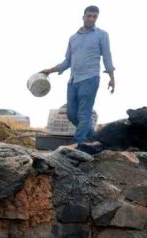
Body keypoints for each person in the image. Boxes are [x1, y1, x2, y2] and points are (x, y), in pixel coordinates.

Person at [39, 5, 115, 146]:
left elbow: (107, 57)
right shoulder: (73, 38)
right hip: (73, 80)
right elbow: (67, 61)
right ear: (83, 16)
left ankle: (78, 145)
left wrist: (112, 78)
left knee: (84, 114)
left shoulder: (102, 35)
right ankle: (94, 138)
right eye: (89, 16)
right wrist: (49, 70)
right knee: (71, 114)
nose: (91, 19)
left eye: (94, 16)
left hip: (90, 79)